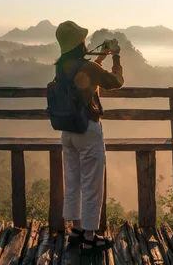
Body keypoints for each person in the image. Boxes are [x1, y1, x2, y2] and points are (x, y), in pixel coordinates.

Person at [54, 20, 124, 255]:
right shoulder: (87, 68)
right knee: (92, 185)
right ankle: (91, 237)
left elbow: (82, 75)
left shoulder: (61, 66)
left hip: (68, 132)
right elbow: (115, 83)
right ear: (79, 43)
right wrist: (115, 57)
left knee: (72, 181)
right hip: (88, 130)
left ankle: (75, 231)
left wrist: (100, 58)